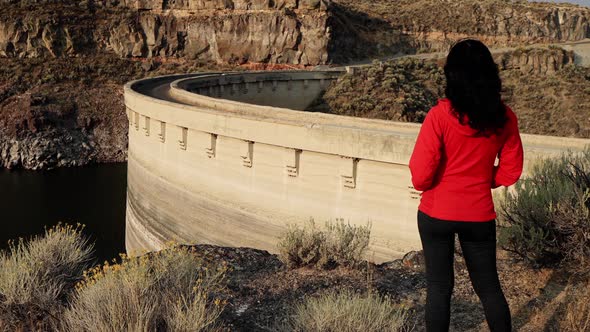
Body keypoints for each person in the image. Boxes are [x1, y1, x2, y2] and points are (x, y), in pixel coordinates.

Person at [409, 39, 524, 332]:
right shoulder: (504, 117)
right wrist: (480, 179)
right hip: (479, 215)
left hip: (436, 213)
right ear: (490, 74)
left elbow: (421, 175)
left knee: (438, 288)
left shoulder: (439, 115)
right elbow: (511, 171)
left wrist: (443, 183)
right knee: (489, 288)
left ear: (452, 75)